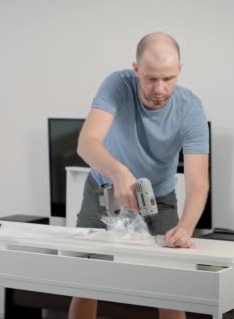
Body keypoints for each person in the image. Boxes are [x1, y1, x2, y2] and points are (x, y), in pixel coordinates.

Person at [68, 32, 210, 319]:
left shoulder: (190, 109)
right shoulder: (117, 85)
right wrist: (120, 173)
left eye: (168, 78)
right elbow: (86, 143)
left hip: (159, 197)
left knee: (169, 287)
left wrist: (186, 227)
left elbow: (198, 183)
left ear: (180, 69)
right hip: (104, 190)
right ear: (136, 70)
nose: (160, 88)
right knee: (86, 282)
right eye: (150, 78)